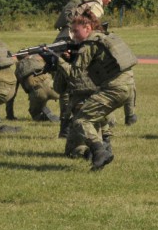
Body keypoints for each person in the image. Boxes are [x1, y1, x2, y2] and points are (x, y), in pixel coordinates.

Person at [53, 0, 138, 138]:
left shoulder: (83, 2)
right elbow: (90, 29)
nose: (110, 0)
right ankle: (102, 126)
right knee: (85, 84)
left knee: (66, 86)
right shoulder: (96, 6)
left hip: (63, 42)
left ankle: (66, 126)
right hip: (77, 44)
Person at [53, 12, 137, 171]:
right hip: (127, 86)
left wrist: (58, 59)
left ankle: (100, 151)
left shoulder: (90, 44)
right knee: (91, 118)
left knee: (81, 121)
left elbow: (74, 74)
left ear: (87, 28)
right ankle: (101, 151)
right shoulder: (104, 37)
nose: (73, 36)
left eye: (76, 31)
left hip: (114, 88)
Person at [14, 54, 60, 122]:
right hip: (53, 88)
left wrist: (10, 115)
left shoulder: (18, 69)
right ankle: (67, 115)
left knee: (35, 112)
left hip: (38, 92)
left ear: (18, 59)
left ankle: (43, 117)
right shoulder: (39, 60)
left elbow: (23, 88)